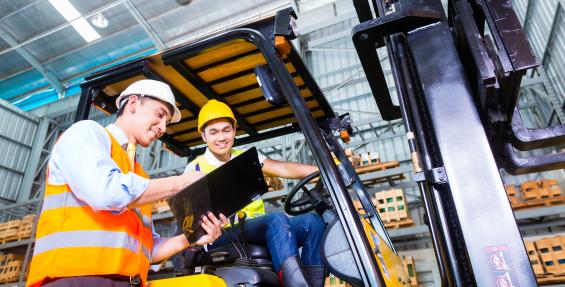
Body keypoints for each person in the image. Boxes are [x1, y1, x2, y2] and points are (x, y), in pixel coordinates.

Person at [26, 80, 228, 287]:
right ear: (132, 104)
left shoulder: (139, 176)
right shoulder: (86, 134)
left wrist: (191, 238)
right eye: (159, 115)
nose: (162, 128)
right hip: (74, 279)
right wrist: (180, 183)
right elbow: (105, 192)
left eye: (167, 122)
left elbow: (146, 249)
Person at [177, 99, 326, 287]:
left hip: (256, 228)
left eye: (226, 130)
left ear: (234, 131)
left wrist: (326, 170)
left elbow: (284, 168)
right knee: (277, 219)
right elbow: (189, 219)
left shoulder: (246, 158)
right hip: (220, 234)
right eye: (214, 132)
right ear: (204, 136)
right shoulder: (195, 168)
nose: (221, 137)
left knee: (312, 223)